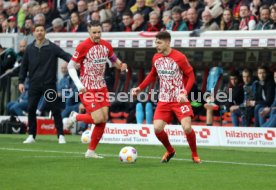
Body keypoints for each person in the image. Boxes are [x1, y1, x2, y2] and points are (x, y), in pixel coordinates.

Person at [132, 31, 201, 163]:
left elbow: (191, 76)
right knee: (157, 128)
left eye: (159, 42)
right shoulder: (156, 57)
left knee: (187, 127)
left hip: (179, 99)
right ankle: (170, 150)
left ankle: (194, 154)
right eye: (155, 42)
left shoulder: (179, 57)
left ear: (168, 42)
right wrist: (139, 88)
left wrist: (184, 92)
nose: (156, 45)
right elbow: (152, 74)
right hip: (164, 99)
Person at [64, 20, 127, 158]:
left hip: (101, 87)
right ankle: (76, 117)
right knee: (98, 118)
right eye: (94, 33)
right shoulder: (83, 46)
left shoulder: (106, 45)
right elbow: (70, 67)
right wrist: (79, 85)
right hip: (87, 88)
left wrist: (121, 65)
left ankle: (90, 151)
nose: (97, 35)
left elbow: (114, 60)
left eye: (99, 32)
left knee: (103, 119)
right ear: (89, 32)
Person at [19, 24, 72, 144]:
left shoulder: (52, 47)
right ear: (34, 33)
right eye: (37, 30)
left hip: (49, 84)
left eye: (41, 30)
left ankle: (60, 135)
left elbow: (65, 55)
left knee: (55, 109)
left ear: (44, 32)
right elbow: (23, 67)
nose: (39, 32)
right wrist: (21, 82)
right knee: (31, 108)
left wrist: (75, 61)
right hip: (34, 84)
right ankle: (31, 135)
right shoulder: (29, 48)